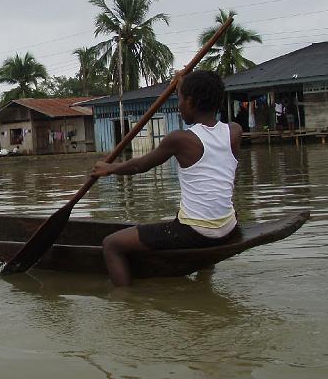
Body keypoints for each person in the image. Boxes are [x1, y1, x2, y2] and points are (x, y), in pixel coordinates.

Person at [91, 70, 242, 286]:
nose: (179, 105)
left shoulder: (181, 139)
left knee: (111, 244)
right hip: (229, 227)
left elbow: (138, 165)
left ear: (189, 102)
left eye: (179, 99)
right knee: (184, 214)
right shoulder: (234, 132)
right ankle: (204, 279)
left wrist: (110, 168)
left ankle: (125, 304)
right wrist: (182, 86)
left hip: (196, 233)